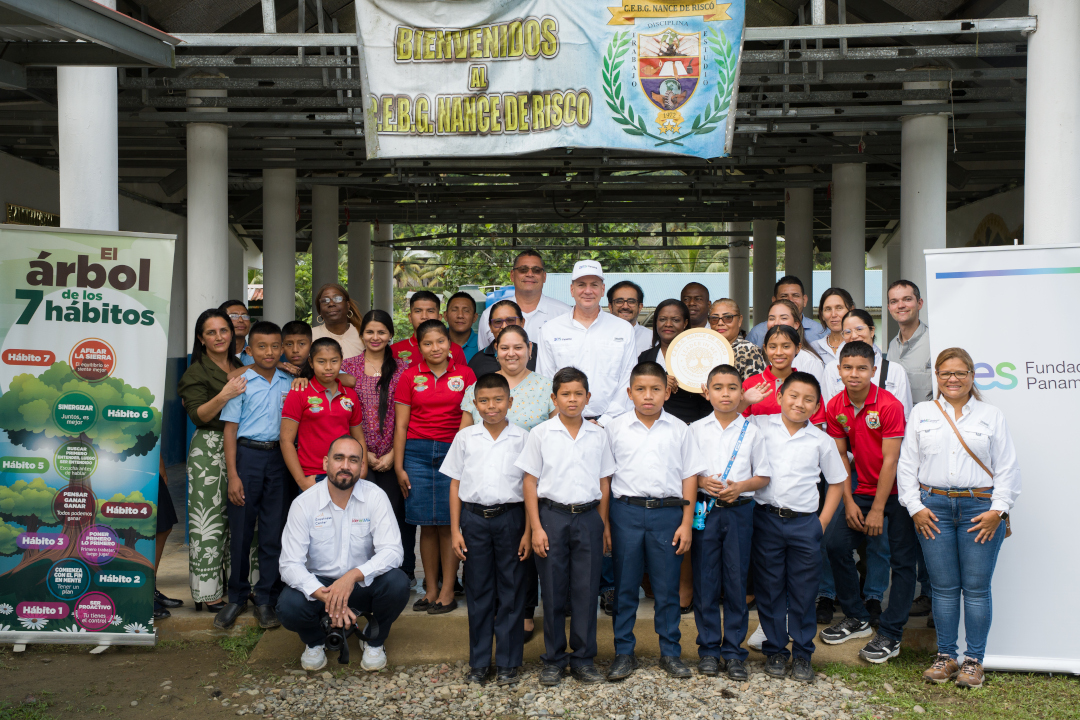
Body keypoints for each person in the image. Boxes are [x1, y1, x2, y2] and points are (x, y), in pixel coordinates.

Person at [897, 347, 1021, 689]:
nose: (953, 379)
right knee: (944, 588)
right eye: (945, 373)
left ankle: (974, 661)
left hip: (980, 510)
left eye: (960, 373)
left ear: (971, 376)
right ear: (937, 376)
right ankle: (947, 657)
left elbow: (1007, 467)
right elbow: (907, 464)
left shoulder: (990, 415)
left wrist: (998, 511)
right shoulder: (922, 412)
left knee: (977, 589)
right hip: (932, 509)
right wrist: (914, 507)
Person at [604, 362, 704, 682]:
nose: (648, 396)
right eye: (641, 389)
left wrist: (686, 522)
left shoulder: (680, 429)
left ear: (667, 392)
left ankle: (670, 652)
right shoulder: (614, 429)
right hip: (626, 512)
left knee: (666, 588)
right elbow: (605, 478)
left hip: (667, 514)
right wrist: (605, 523)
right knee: (625, 587)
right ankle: (623, 652)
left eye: (656, 389)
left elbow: (690, 477)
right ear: (629, 392)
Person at [516, 367, 616, 687]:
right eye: (565, 394)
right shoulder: (541, 434)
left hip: (588, 518)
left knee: (586, 590)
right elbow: (529, 482)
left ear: (588, 397)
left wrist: (602, 524)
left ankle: (584, 658)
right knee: (554, 590)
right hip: (552, 517)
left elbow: (604, 481)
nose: (572, 400)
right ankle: (554, 659)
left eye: (578, 394)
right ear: (554, 398)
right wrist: (536, 528)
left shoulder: (598, 435)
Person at [277, 435, 410, 672]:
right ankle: (315, 641)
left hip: (361, 584)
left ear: (361, 466)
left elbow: (393, 551)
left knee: (398, 583)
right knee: (288, 605)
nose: (345, 466)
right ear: (325, 463)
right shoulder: (304, 503)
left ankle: (374, 639)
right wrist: (329, 597)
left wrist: (352, 576)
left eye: (353, 460)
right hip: (321, 589)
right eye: (339, 458)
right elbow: (289, 564)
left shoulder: (375, 496)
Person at [820, 341, 917, 664]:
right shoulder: (835, 405)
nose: (854, 374)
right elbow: (840, 458)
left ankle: (891, 633)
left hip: (899, 492)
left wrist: (877, 509)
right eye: (848, 367)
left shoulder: (889, 405)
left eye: (862, 368)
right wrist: (849, 502)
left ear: (873, 371)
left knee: (902, 563)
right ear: (838, 370)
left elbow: (891, 461)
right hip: (860, 489)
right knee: (835, 545)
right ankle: (857, 617)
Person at [750, 372, 846, 683]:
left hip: (805, 523)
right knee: (770, 588)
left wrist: (822, 522)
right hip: (767, 519)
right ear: (779, 397)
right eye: (793, 396)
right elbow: (729, 419)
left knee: (804, 591)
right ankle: (776, 650)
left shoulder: (821, 440)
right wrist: (746, 400)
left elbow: (837, 482)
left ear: (817, 407)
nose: (799, 403)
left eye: (808, 400)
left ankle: (803, 654)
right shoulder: (760, 426)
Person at [461, 323, 553, 641]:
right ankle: (493, 614)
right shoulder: (479, 387)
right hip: (486, 484)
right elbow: (464, 434)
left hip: (530, 485)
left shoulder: (545, 386)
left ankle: (524, 612)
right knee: (488, 562)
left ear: (529, 350)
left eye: (518, 347)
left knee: (521, 555)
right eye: (504, 347)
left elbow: (555, 434)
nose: (511, 353)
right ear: (495, 351)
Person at [444, 373, 532, 686]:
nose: (491, 406)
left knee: (512, 590)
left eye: (498, 400)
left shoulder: (523, 438)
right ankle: (480, 662)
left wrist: (528, 531)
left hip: (511, 519)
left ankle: (508, 663)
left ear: (511, 401)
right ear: (475, 403)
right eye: (484, 400)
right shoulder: (465, 438)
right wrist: (455, 530)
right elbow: (455, 484)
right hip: (474, 521)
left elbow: (529, 486)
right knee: (478, 590)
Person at [690, 364, 771, 681]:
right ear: (706, 392)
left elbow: (763, 476)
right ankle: (709, 650)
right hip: (706, 511)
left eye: (732, 388)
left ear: (742, 393)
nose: (725, 394)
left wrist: (742, 486)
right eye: (718, 387)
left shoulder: (753, 431)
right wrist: (701, 480)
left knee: (736, 581)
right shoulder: (695, 429)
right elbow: (687, 472)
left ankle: (734, 652)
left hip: (739, 511)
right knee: (705, 580)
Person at [394, 320, 477, 614]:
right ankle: (430, 590)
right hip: (416, 454)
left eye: (440, 341)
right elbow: (401, 425)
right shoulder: (409, 376)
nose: (435, 348)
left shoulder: (466, 374)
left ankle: (447, 590)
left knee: (447, 523)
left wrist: (463, 458)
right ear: (419, 347)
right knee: (425, 526)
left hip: (452, 453)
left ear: (449, 343)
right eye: (427, 343)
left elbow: (471, 419)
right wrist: (399, 466)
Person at [218, 321, 293, 630]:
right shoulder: (241, 383)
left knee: (274, 531)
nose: (269, 352)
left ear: (283, 348)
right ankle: (236, 597)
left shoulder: (291, 381)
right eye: (261, 346)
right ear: (249, 350)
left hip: (280, 458)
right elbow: (230, 430)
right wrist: (233, 475)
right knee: (242, 529)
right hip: (247, 456)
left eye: (275, 346)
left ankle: (266, 599)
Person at [177, 308, 248, 612]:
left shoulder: (241, 365)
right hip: (208, 447)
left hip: (241, 446)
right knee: (208, 522)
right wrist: (225, 394)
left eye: (224, 330)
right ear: (201, 338)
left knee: (240, 519)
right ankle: (207, 593)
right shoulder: (195, 372)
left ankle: (239, 585)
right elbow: (198, 415)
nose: (219, 337)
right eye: (211, 332)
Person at [341, 310, 415, 583]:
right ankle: (360, 573)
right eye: (370, 332)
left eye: (381, 332)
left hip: (395, 453)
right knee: (361, 516)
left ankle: (402, 572)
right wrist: (363, 454)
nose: (375, 337)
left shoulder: (404, 369)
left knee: (397, 514)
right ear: (361, 335)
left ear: (390, 335)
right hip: (358, 455)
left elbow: (408, 415)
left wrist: (394, 454)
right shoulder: (346, 367)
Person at [536, 259, 636, 426]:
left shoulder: (623, 329)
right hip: (565, 424)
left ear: (602, 289)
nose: (588, 291)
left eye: (594, 285)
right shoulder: (550, 330)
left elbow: (628, 378)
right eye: (581, 285)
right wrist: (569, 422)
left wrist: (605, 421)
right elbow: (546, 381)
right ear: (572, 290)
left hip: (614, 424)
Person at [280, 337, 367, 494]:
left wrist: (362, 469)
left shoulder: (350, 395)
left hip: (345, 472)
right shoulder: (299, 393)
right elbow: (286, 440)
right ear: (311, 362)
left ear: (341, 361)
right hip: (312, 476)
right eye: (321, 362)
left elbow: (359, 437)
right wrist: (302, 481)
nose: (328, 367)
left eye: (334, 361)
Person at [822, 309, 913, 416]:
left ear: (872, 331)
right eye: (847, 332)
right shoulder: (832, 369)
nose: (854, 336)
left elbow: (905, 415)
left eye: (859, 329)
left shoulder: (894, 370)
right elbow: (829, 412)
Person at [477, 248, 571, 349]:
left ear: (544, 277)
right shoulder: (490, 315)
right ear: (512, 275)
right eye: (523, 270)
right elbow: (484, 355)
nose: (530, 274)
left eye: (536, 270)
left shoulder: (566, 314)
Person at [638, 299, 712, 425]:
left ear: (685, 323)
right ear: (656, 322)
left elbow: (710, 398)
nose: (668, 324)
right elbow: (637, 391)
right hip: (652, 425)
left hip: (692, 425)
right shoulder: (645, 357)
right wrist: (660, 382)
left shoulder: (700, 356)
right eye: (662, 319)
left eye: (675, 320)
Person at [743, 325, 826, 427]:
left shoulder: (808, 386)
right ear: (765, 348)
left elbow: (816, 428)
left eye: (786, 346)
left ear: (798, 348)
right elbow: (739, 423)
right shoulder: (750, 384)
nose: (778, 352)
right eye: (773, 347)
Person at [391, 291, 466, 369]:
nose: (424, 316)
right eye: (418, 311)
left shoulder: (456, 350)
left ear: (439, 317)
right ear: (410, 317)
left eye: (430, 311)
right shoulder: (394, 350)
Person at [887, 280, 933, 405]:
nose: (900, 305)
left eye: (907, 299)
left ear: (919, 303)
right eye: (894, 301)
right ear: (889, 308)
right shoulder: (892, 346)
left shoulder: (934, 343)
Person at [746, 276, 827, 347]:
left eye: (795, 296)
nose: (790, 300)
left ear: (804, 300)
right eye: (784, 296)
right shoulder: (757, 333)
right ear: (774, 301)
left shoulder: (821, 332)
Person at [764, 299, 826, 390]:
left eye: (784, 318)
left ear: (796, 324)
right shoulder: (760, 356)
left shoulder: (810, 361)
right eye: (772, 318)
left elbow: (816, 396)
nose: (776, 323)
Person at [468, 300, 538, 377]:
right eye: (498, 322)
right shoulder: (478, 362)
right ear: (490, 326)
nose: (504, 326)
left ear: (522, 323)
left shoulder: (540, 353)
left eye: (510, 320)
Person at [153, 455, 182, 620]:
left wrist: (159, 460)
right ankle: (139, 591)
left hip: (145, 454)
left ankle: (149, 588)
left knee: (162, 526)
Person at [708, 299, 766, 381]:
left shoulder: (750, 351)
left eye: (727, 318)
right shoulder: (703, 348)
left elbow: (756, 387)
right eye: (714, 318)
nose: (720, 323)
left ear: (739, 320)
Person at [311, 283, 365, 359]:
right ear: (319, 310)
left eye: (337, 299)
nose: (331, 304)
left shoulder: (364, 334)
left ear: (348, 305)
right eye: (325, 300)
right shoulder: (311, 336)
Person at [607, 280, 652, 355]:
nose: (625, 306)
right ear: (610, 307)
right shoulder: (599, 336)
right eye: (619, 301)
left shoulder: (652, 339)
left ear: (640, 307)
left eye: (631, 301)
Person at [812, 288, 855, 364]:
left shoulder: (862, 344)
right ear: (822, 315)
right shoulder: (814, 348)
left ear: (851, 311)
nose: (833, 314)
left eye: (839, 308)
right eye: (828, 309)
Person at [445, 291, 480, 361]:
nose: (460, 315)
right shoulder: (435, 343)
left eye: (466, 310)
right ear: (446, 316)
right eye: (454, 310)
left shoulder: (482, 343)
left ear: (474, 317)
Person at [220, 299, 254, 365]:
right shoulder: (210, 356)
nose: (241, 320)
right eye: (233, 316)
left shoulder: (257, 357)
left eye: (245, 316)